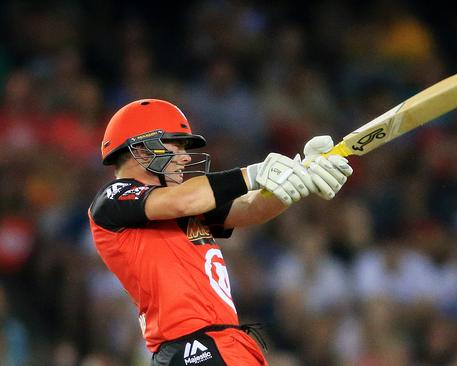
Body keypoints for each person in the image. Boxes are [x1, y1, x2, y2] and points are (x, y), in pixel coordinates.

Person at [87, 99, 352, 366]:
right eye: (175, 145)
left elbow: (251, 209)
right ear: (142, 151)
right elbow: (184, 200)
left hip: (214, 345)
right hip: (196, 347)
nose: (185, 156)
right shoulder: (113, 197)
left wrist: (300, 177)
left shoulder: (179, 204)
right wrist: (253, 173)